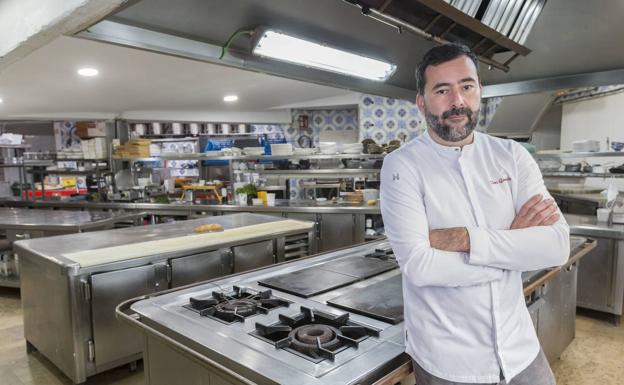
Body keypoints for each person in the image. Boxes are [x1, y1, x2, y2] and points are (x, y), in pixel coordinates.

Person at [380, 43, 570, 385]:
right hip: (449, 360)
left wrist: (466, 239)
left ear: (479, 91)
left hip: (520, 348)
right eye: (442, 90)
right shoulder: (402, 165)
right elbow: (420, 267)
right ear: (421, 102)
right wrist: (513, 248)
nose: (457, 102)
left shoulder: (511, 155)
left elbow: (556, 246)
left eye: (467, 86)